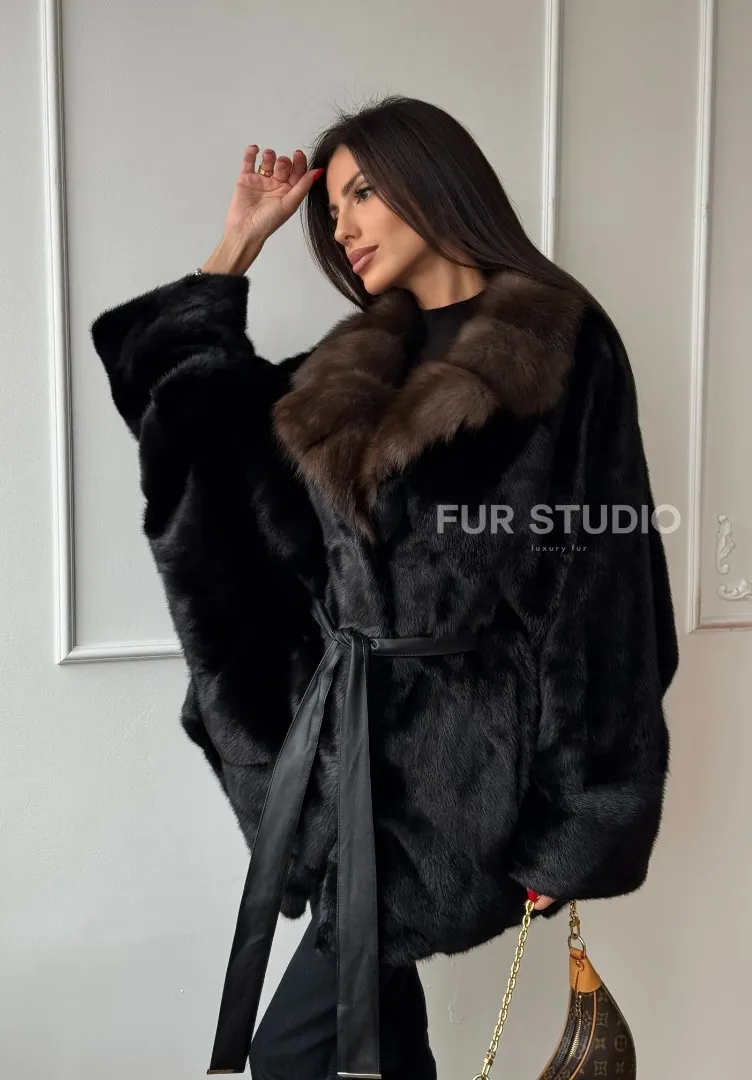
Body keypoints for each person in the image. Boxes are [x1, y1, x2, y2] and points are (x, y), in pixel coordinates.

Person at [90, 95, 679, 1080]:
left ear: (432, 180)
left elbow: (605, 590)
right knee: (377, 1044)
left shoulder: (559, 343)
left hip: (463, 775)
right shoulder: (349, 366)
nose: (342, 227)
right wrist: (236, 245)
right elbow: (197, 434)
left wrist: (572, 820)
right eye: (332, 210)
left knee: (295, 1052)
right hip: (338, 755)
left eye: (362, 193)